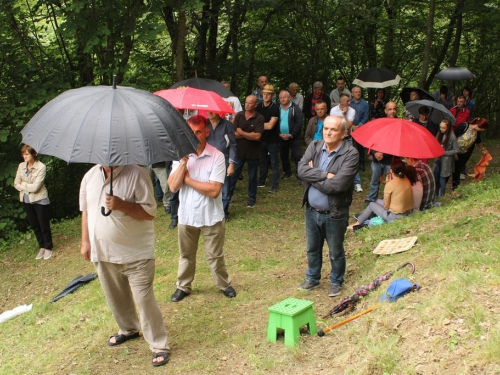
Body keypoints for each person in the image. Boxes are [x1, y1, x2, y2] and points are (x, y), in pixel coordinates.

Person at [79, 164, 169, 367]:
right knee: (116, 297)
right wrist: (85, 241)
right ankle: (128, 329)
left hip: (136, 253)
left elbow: (149, 213)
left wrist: (121, 205)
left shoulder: (137, 174)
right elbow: (86, 210)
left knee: (144, 300)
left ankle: (159, 345)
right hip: (103, 252)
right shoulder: (89, 176)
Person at [168, 115, 236, 302]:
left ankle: (224, 284)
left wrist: (188, 180)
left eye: (198, 132)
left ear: (207, 132)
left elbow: (214, 190)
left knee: (215, 256)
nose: (194, 136)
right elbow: (173, 187)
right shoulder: (180, 156)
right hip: (187, 216)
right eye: (191, 132)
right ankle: (183, 286)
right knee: (186, 255)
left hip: (211, 216)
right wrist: (183, 163)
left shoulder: (217, 156)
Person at [296, 116, 358, 297]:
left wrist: (312, 176)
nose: (328, 132)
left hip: (334, 213)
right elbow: (301, 170)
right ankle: (312, 278)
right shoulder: (314, 146)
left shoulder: (351, 154)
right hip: (311, 210)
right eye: (326, 128)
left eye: (334, 129)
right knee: (312, 249)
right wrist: (325, 174)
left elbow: (338, 185)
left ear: (344, 133)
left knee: (335, 251)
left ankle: (336, 281)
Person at [349, 159, 413, 230]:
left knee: (371, 205)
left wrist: (389, 183)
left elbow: (386, 206)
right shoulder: (407, 180)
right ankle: (364, 216)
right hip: (407, 212)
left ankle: (357, 223)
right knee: (376, 201)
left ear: (391, 170)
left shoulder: (390, 184)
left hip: (394, 216)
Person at [14, 145, 53, 260]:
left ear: (34, 154)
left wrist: (23, 184)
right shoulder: (21, 166)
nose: (24, 156)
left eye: (27, 154)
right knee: (34, 224)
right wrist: (24, 186)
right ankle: (42, 246)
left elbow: (36, 187)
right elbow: (15, 183)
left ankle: (48, 247)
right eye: (23, 154)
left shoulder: (41, 167)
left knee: (43, 224)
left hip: (39, 199)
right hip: (26, 199)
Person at [228, 95, 265, 209]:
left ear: (255, 105)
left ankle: (251, 199)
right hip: (238, 152)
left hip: (253, 153)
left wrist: (242, 132)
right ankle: (227, 197)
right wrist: (249, 135)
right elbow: (233, 134)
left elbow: (257, 137)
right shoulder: (239, 115)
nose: (247, 105)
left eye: (250, 103)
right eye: (246, 102)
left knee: (252, 177)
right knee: (232, 176)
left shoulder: (260, 118)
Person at [206, 111, 237, 220]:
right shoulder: (204, 124)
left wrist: (231, 163)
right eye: (208, 111)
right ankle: (210, 212)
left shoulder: (227, 125)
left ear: (218, 112)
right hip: (207, 161)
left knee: (225, 189)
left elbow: (233, 145)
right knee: (207, 186)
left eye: (212, 111)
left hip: (224, 160)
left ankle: (223, 213)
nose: (209, 113)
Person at [366, 101, 397, 204]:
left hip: (390, 160)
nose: (392, 111)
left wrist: (383, 154)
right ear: (385, 111)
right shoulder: (380, 123)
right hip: (377, 158)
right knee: (375, 181)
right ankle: (371, 198)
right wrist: (375, 152)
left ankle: (391, 200)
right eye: (390, 109)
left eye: (394, 109)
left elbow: (398, 144)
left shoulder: (399, 125)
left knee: (392, 182)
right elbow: (372, 140)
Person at [330, 93, 362, 192]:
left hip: (348, 138)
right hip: (336, 138)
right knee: (335, 159)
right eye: (347, 101)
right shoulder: (333, 110)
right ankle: (336, 181)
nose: (349, 102)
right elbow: (333, 124)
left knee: (351, 159)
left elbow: (348, 126)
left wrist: (343, 115)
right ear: (342, 102)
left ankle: (357, 183)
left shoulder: (352, 111)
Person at [452, 117, 489, 190]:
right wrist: (454, 152)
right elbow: (453, 137)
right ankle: (442, 187)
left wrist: (482, 149)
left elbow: (478, 140)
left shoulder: (476, 131)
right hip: (455, 151)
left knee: (458, 169)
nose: (482, 131)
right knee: (449, 168)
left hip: (465, 152)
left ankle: (455, 187)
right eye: (482, 129)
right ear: (479, 126)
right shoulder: (464, 126)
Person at [256, 84, 280, 193]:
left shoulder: (275, 108)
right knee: (262, 161)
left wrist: (258, 125)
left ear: (272, 95)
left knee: (274, 163)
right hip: (261, 139)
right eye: (264, 94)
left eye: (268, 94)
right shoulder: (258, 107)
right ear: (262, 94)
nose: (266, 96)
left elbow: (270, 126)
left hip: (272, 140)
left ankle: (275, 185)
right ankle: (261, 181)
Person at [278, 90, 303, 182]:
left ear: (289, 98)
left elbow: (299, 123)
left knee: (297, 156)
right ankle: (287, 172)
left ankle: (299, 174)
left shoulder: (295, 108)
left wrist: (292, 134)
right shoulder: (278, 108)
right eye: (280, 98)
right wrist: (279, 134)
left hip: (294, 137)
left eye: (284, 97)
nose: (282, 99)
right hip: (281, 136)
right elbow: (275, 122)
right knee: (283, 155)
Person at [434, 119, 459, 197]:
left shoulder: (452, 136)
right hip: (438, 158)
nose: (441, 129)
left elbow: (457, 149)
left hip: (446, 160)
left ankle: (442, 196)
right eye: (440, 127)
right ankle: (435, 194)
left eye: (443, 128)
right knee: (436, 176)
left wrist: (445, 153)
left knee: (442, 178)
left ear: (447, 128)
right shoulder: (439, 133)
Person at [350, 86, 369, 172]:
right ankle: (350, 163)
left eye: (359, 92)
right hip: (350, 127)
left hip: (361, 128)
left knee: (360, 146)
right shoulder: (349, 103)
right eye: (356, 92)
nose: (358, 93)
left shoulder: (365, 104)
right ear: (352, 93)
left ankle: (361, 163)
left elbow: (366, 117)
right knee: (349, 145)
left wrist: (359, 126)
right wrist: (352, 126)